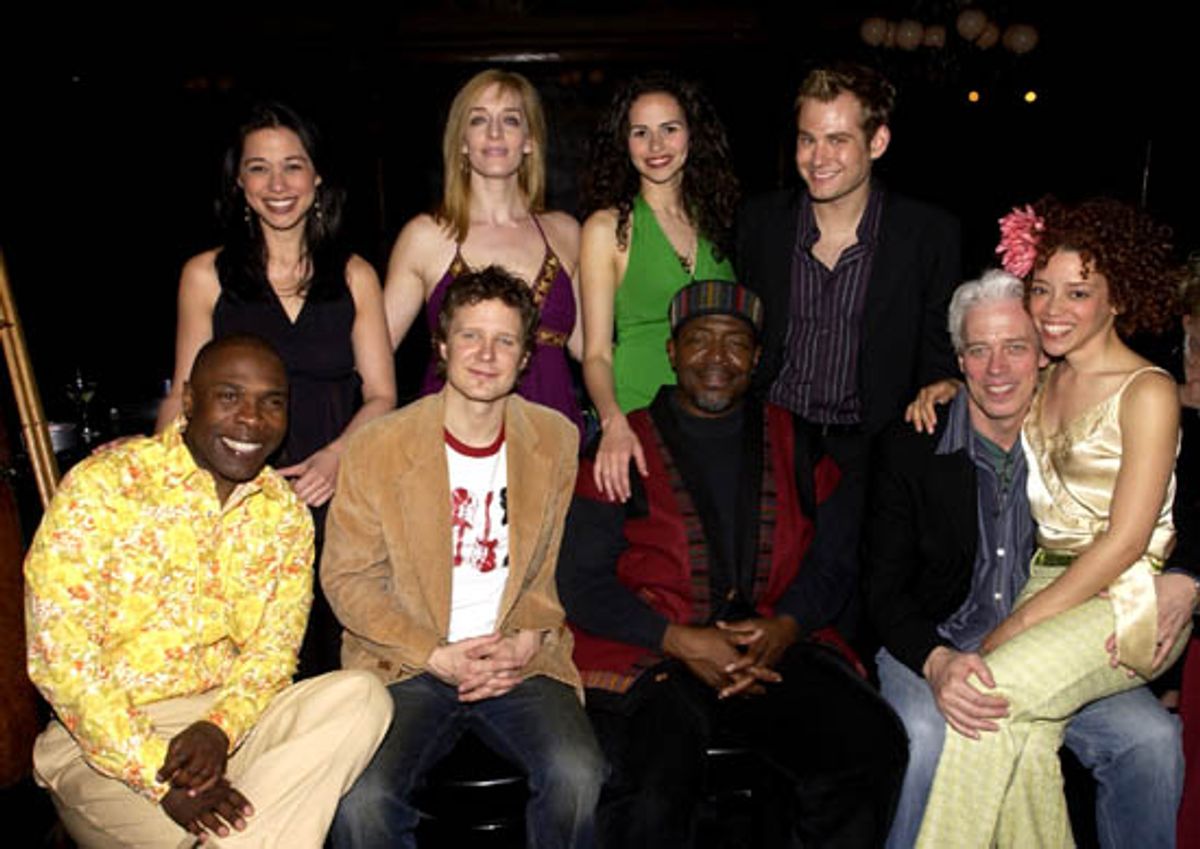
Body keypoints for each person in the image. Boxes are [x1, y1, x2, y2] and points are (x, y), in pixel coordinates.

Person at [559, 280, 907, 848]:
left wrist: (787, 625)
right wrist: (680, 641)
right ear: (672, 352)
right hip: (656, 657)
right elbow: (581, 580)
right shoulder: (624, 446)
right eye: (699, 341)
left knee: (868, 746)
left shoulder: (798, 439)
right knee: (649, 792)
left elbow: (836, 558)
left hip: (772, 646)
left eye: (736, 343)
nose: (717, 359)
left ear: (757, 358)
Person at [866, 270, 1192, 849]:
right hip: (937, 640)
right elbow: (881, 590)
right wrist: (937, 661)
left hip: (1053, 639)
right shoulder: (913, 442)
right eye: (979, 350)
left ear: (1044, 356)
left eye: (1015, 347)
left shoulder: (1070, 419)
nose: (997, 370)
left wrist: (1187, 577)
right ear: (959, 361)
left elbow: (1179, 485)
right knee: (928, 732)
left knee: (1151, 741)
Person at [27, 335, 392, 848]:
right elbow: (62, 662)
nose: (251, 419)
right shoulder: (105, 486)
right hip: (103, 742)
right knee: (264, 824)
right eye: (229, 396)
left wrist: (220, 728)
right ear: (190, 401)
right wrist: (159, 776)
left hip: (232, 726)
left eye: (272, 402)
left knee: (361, 696)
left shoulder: (284, 514)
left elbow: (272, 655)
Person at [323, 267, 605, 849]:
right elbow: (348, 578)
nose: (486, 354)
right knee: (362, 803)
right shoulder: (378, 446)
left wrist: (528, 635)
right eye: (471, 336)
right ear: (443, 345)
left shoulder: (554, 439)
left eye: (505, 340)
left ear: (527, 356)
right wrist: (435, 654)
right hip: (407, 661)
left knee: (578, 775)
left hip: (516, 658)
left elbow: (554, 563)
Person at [159, 101, 396, 677]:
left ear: (317, 178)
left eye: (293, 165)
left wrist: (340, 457)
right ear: (239, 183)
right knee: (256, 664)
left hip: (341, 495)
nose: (278, 184)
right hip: (241, 493)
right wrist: (149, 476)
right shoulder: (205, 276)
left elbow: (384, 396)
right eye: (259, 168)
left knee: (343, 660)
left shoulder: (356, 275)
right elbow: (184, 395)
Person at [736, 62, 960, 640]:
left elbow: (942, 344)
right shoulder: (760, 223)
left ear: (877, 141)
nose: (818, 157)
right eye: (808, 139)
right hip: (773, 443)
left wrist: (944, 381)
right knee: (762, 606)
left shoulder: (927, 233)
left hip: (872, 450)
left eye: (838, 139)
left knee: (852, 614)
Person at [383, 68, 585, 438]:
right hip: (449, 440)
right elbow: (373, 360)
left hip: (552, 441)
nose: (494, 133)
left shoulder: (566, 234)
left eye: (510, 120)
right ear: (461, 140)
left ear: (529, 140)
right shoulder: (426, 236)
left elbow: (593, 351)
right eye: (479, 120)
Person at [579, 71, 739, 501]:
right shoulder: (607, 228)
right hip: (635, 415)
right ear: (623, 143)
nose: (656, 146)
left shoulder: (717, 221)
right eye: (640, 133)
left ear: (692, 134)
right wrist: (614, 422)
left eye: (669, 129)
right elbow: (594, 353)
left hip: (712, 419)